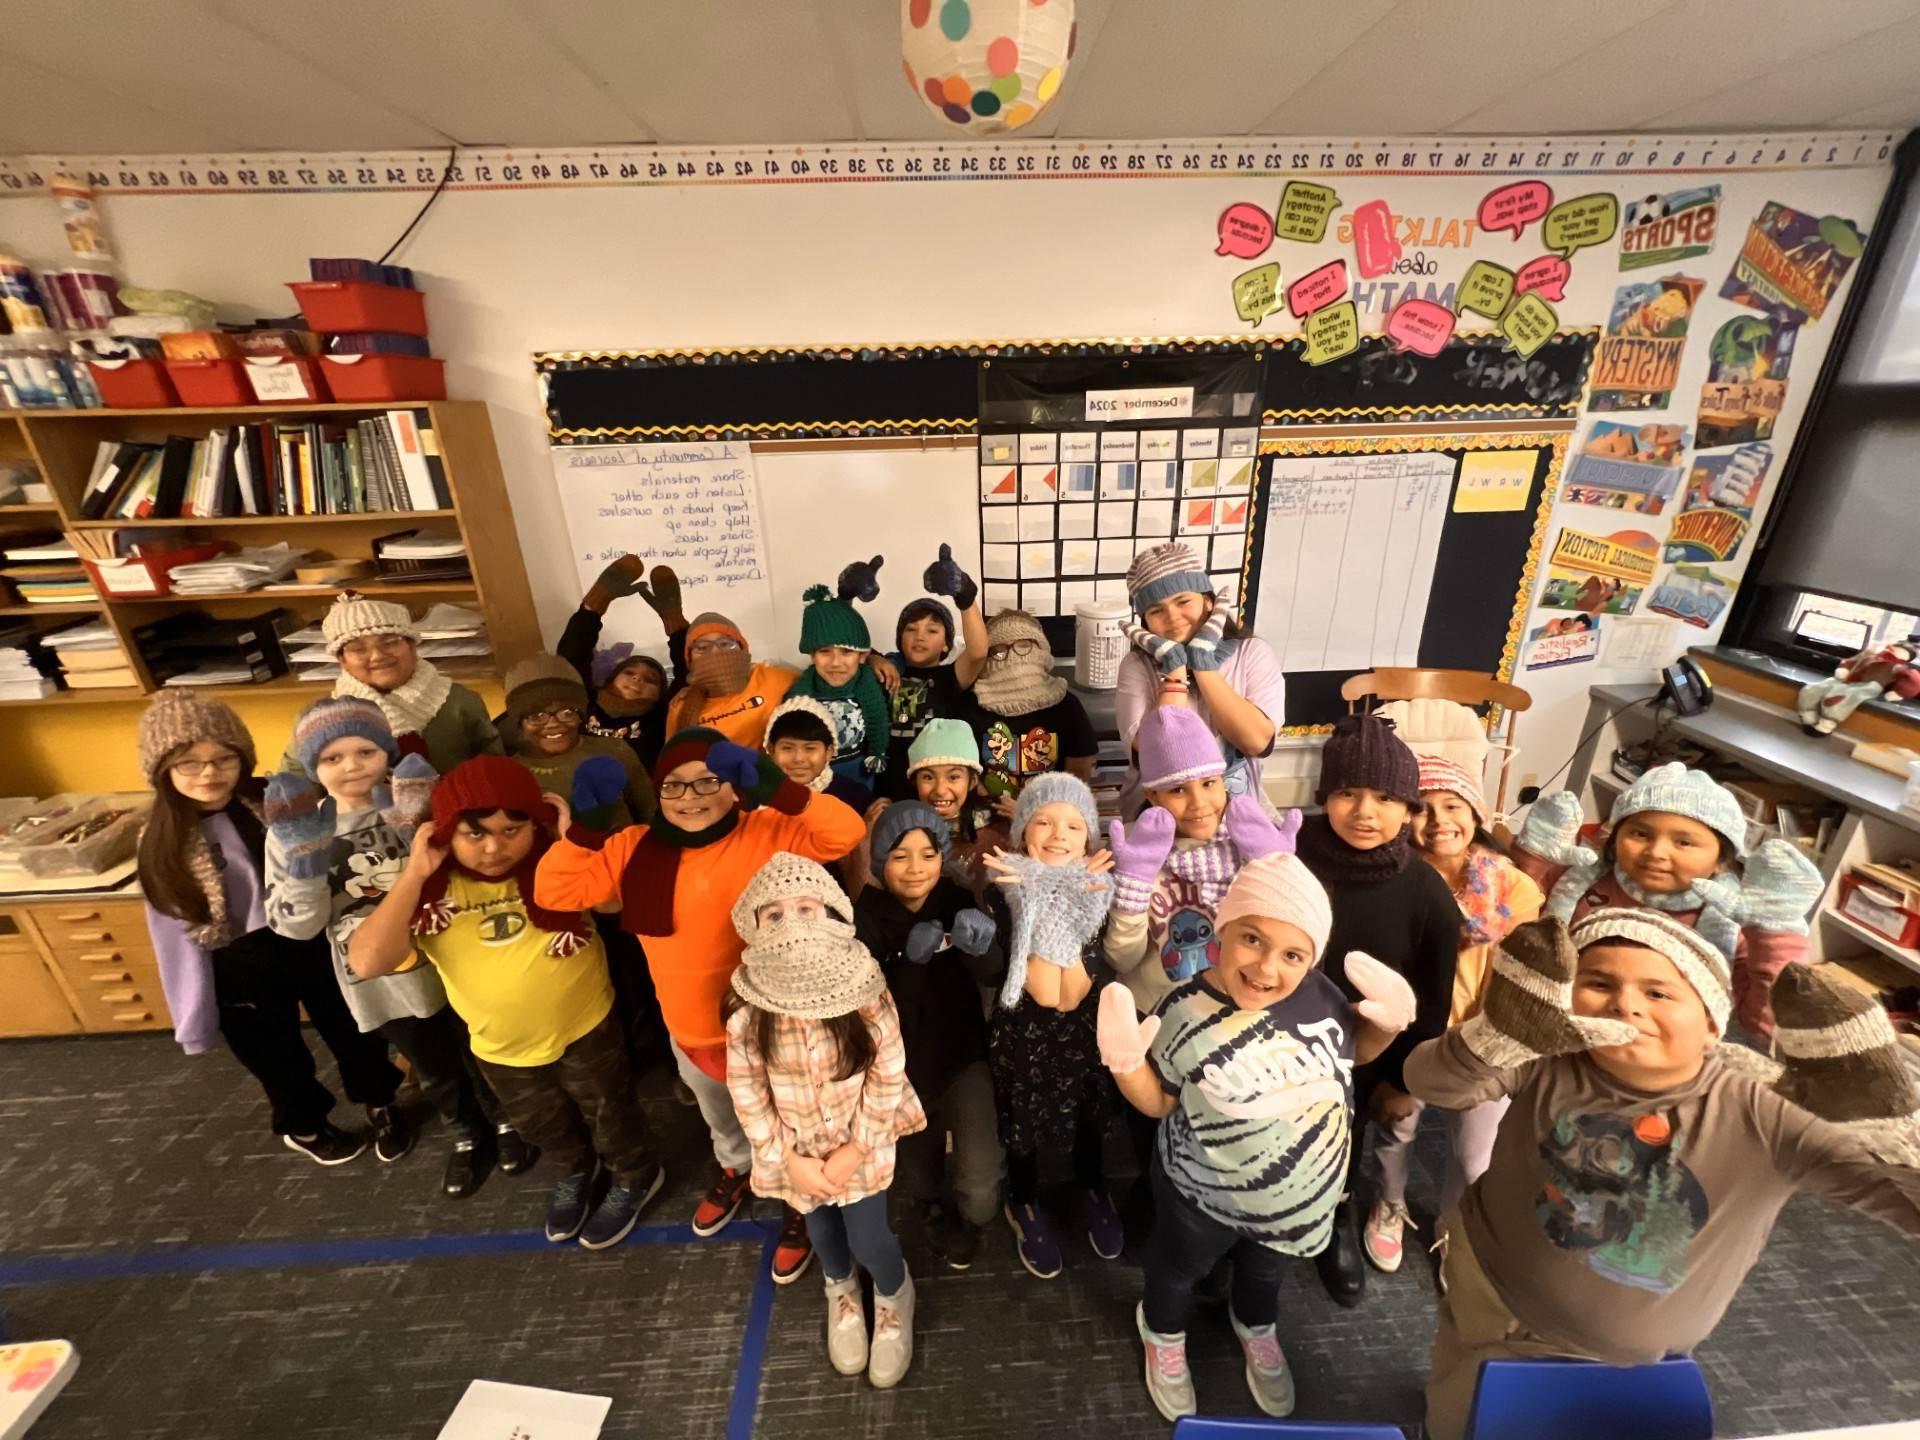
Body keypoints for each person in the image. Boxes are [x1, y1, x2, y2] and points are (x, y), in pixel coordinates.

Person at [1406, 912, 1920, 1440]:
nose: (1626, 1004)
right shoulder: (1550, 1057)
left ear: (1713, 1023)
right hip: (1487, 1286)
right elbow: (1431, 1081)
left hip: (1631, 1361)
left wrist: (1887, 1129)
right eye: (1600, 983)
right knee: (1456, 1405)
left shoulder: (1767, 1112)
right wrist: (1499, 1035)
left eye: (1658, 993)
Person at [534, 726, 867, 1283]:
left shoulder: (767, 831)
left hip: (771, 1026)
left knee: (788, 1127)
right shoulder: (632, 846)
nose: (690, 797)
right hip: (689, 1027)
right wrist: (587, 831)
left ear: (735, 787)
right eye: (674, 786)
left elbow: (845, 833)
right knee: (722, 1120)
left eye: (707, 781)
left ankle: (793, 1202)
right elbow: (555, 893)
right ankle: (736, 1169)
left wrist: (779, 787)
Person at [1097, 853, 1417, 1422]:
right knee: (1178, 1272)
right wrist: (1125, 1064)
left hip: (1295, 1206)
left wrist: (1384, 1026)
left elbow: (1351, 1056)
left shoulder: (1322, 997)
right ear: (1222, 930)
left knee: (1266, 1274)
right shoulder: (1184, 1009)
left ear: (1311, 959)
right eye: (1251, 939)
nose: (1267, 968)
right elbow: (1160, 1102)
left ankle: (1256, 1326)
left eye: (1292, 955)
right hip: (1202, 1197)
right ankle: (1163, 1332)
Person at [347, 756, 668, 1248]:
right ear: (444, 833)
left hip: (587, 1027)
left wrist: (573, 843)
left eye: (511, 829)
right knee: (542, 1123)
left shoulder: (556, 867)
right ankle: (575, 1171)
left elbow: (614, 904)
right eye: (474, 834)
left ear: (534, 825)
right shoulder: (435, 892)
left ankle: (633, 1173)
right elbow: (367, 961)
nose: (494, 848)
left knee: (611, 1111)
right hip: (501, 1046)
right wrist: (413, 875)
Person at [264, 698, 527, 1198]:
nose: (351, 767)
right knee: (432, 1067)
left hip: (453, 959)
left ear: (387, 752)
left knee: (481, 1048)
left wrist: (419, 826)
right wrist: (305, 862)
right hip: (378, 976)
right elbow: (296, 929)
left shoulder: (413, 801)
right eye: (331, 758)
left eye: (365, 750)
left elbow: (464, 874)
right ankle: (466, 1134)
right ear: (311, 766)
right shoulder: (298, 827)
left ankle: (505, 1123)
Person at [138, 691, 399, 1165]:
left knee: (354, 1027)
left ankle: (381, 1099)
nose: (209, 773)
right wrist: (194, 1018)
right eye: (189, 765)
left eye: (223, 758)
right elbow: (173, 939)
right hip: (239, 961)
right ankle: (303, 1124)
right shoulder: (162, 841)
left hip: (311, 938)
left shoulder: (278, 799)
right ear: (163, 772)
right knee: (277, 1056)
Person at [725, 853, 926, 1389]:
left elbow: (889, 1071)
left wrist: (856, 1149)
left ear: (833, 916)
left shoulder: (866, 994)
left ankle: (892, 1293)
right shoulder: (749, 1011)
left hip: (861, 1146)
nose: (791, 925)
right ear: (754, 927)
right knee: (822, 1233)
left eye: (807, 908)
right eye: (774, 915)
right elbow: (746, 1090)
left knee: (869, 1238)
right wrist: (785, 1158)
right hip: (797, 1156)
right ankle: (841, 1291)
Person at [1293, 713, 1460, 1305]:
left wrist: (1404, 1080)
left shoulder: (1425, 892)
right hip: (1285, 1040)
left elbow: (1434, 997)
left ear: (1409, 809)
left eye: (1386, 798)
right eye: (1347, 794)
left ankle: (1333, 1218)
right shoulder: (1291, 853)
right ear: (1324, 797)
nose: (1365, 812)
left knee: (1347, 1137)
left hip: (1367, 1056)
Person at [1364, 753, 1544, 1277]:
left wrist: (1495, 1044)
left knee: (1473, 1157)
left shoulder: (1513, 887)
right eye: (1422, 808)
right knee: (1397, 1127)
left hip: (1485, 1040)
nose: (1439, 820)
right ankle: (1389, 1203)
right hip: (1412, 1037)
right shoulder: (1393, 879)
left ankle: (1454, 1226)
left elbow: (1523, 975)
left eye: (1454, 805)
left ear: (1476, 813)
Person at [1514, 761, 1823, 1041]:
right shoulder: (1577, 880)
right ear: (1615, 837)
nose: (1657, 852)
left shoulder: (1735, 925)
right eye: (1640, 834)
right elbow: (1511, 924)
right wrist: (1532, 860)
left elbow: (1767, 1028)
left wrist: (1775, 933)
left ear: (1721, 859)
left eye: (1684, 842)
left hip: (1657, 1056)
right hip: (1558, 1030)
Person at [855, 800, 1004, 1270]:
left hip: (963, 1056)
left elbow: (992, 976)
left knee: (982, 1192)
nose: (916, 868)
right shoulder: (867, 916)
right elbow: (870, 1010)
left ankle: (968, 1214)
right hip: (899, 1071)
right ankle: (934, 1211)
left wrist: (984, 949)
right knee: (917, 1184)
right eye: (900, 856)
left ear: (943, 856)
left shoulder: (955, 899)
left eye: (928, 852)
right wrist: (909, 965)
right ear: (881, 863)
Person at [983, 772, 1121, 1279]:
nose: (1058, 834)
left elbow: (1082, 981)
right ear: (1022, 833)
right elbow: (1040, 986)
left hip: (1082, 1027)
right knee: (1023, 1121)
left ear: (1089, 839)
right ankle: (1023, 1203)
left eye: (1073, 826)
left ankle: (1092, 1188)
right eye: (1043, 821)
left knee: (1089, 1114)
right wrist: (1035, 898)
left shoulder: (1098, 888)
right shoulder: (1006, 889)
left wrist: (1065, 896)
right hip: (1024, 1029)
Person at [1116, 542, 1285, 819]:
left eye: (1183, 601)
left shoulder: (1252, 652)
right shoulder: (1136, 666)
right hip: (1157, 819)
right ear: (1145, 622)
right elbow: (1159, 754)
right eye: (1156, 610)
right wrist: (1176, 669)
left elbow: (1256, 742)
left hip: (1239, 814)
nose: (1173, 617)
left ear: (1208, 601)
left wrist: (1203, 664)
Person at [304, 592, 501, 772]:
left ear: (412, 646)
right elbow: (302, 781)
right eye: (358, 649)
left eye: (390, 642)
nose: (377, 656)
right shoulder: (323, 718)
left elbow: (496, 763)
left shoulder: (459, 701)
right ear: (342, 660)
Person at [498, 652, 657, 829]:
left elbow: (651, 814)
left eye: (567, 713)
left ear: (582, 715)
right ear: (519, 722)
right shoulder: (508, 773)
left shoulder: (615, 751)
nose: (553, 724)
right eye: (537, 716)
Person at [555, 555, 683, 772]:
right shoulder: (586, 702)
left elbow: (688, 675)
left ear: (659, 694)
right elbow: (572, 657)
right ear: (611, 679)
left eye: (650, 679)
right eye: (630, 672)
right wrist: (594, 606)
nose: (637, 678)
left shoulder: (661, 719)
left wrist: (675, 622)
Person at [883, 545, 989, 797]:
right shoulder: (885, 672)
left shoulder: (948, 678)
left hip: (939, 792)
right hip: (891, 789)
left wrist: (964, 595)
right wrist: (875, 660)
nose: (920, 637)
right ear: (899, 638)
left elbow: (977, 653)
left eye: (932, 630)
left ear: (945, 644)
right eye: (911, 629)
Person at [972, 609, 1096, 809]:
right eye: (1000, 649)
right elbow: (965, 773)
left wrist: (1033, 812)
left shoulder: (1067, 706)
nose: (1013, 655)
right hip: (990, 816)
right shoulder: (971, 705)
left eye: (1024, 645)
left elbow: (1078, 778)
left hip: (1050, 817)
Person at [786, 565, 891, 786]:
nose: (835, 663)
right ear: (812, 656)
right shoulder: (802, 690)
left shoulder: (867, 684)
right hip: (815, 778)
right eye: (825, 652)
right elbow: (788, 728)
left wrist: (877, 754)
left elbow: (878, 721)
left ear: (862, 657)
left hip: (859, 774)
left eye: (846, 652)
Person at [898, 717, 1003, 896]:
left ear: (972, 782)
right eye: (928, 777)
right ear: (915, 782)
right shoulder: (900, 829)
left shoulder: (998, 831)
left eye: (953, 777)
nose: (940, 790)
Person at [662, 611, 797, 749]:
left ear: (742, 648)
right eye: (702, 648)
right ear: (689, 659)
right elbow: (674, 760)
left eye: (725, 644)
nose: (715, 652)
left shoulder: (775, 679)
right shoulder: (681, 706)